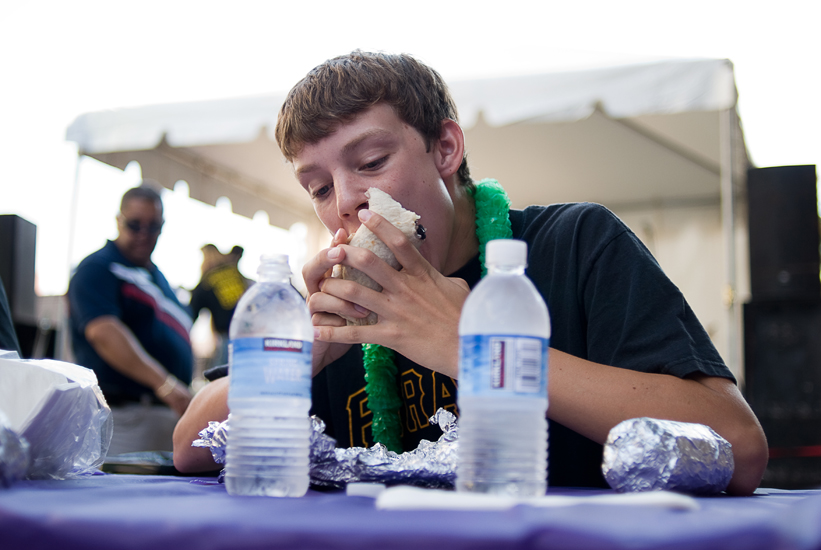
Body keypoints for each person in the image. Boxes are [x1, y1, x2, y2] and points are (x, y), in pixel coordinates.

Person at [173, 51, 768, 495]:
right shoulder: (333, 302)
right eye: (320, 187)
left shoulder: (575, 244)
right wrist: (303, 352)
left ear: (445, 149)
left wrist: (472, 347)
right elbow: (189, 449)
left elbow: (738, 448)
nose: (347, 201)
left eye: (372, 162)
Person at [69, 183, 193, 456]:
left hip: (163, 413)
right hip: (128, 415)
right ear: (118, 220)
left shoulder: (157, 276)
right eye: (135, 225)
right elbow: (103, 332)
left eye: (154, 227)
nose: (144, 235)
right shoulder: (99, 268)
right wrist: (166, 385)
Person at [189, 244, 251, 367]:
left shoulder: (209, 279)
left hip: (228, 334)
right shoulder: (234, 273)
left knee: (223, 373)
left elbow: (192, 310)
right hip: (249, 331)